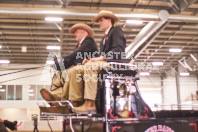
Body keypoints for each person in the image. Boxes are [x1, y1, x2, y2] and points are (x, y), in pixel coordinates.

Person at [66, 10, 126, 112]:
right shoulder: (103, 38)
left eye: (101, 20)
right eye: (98, 21)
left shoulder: (116, 31)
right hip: (106, 63)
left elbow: (118, 51)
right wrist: (90, 60)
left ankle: (90, 103)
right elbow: (101, 57)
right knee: (74, 70)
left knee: (90, 67)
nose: (99, 23)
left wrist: (98, 59)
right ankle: (76, 101)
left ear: (109, 20)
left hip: (115, 64)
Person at [40, 23, 98, 106]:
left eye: (77, 32)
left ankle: (63, 98)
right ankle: (55, 96)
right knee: (60, 73)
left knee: (71, 72)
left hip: (88, 71)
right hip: (80, 71)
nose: (74, 34)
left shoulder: (89, 41)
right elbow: (70, 61)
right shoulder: (78, 46)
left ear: (84, 32)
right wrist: (58, 65)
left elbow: (74, 55)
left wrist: (61, 59)